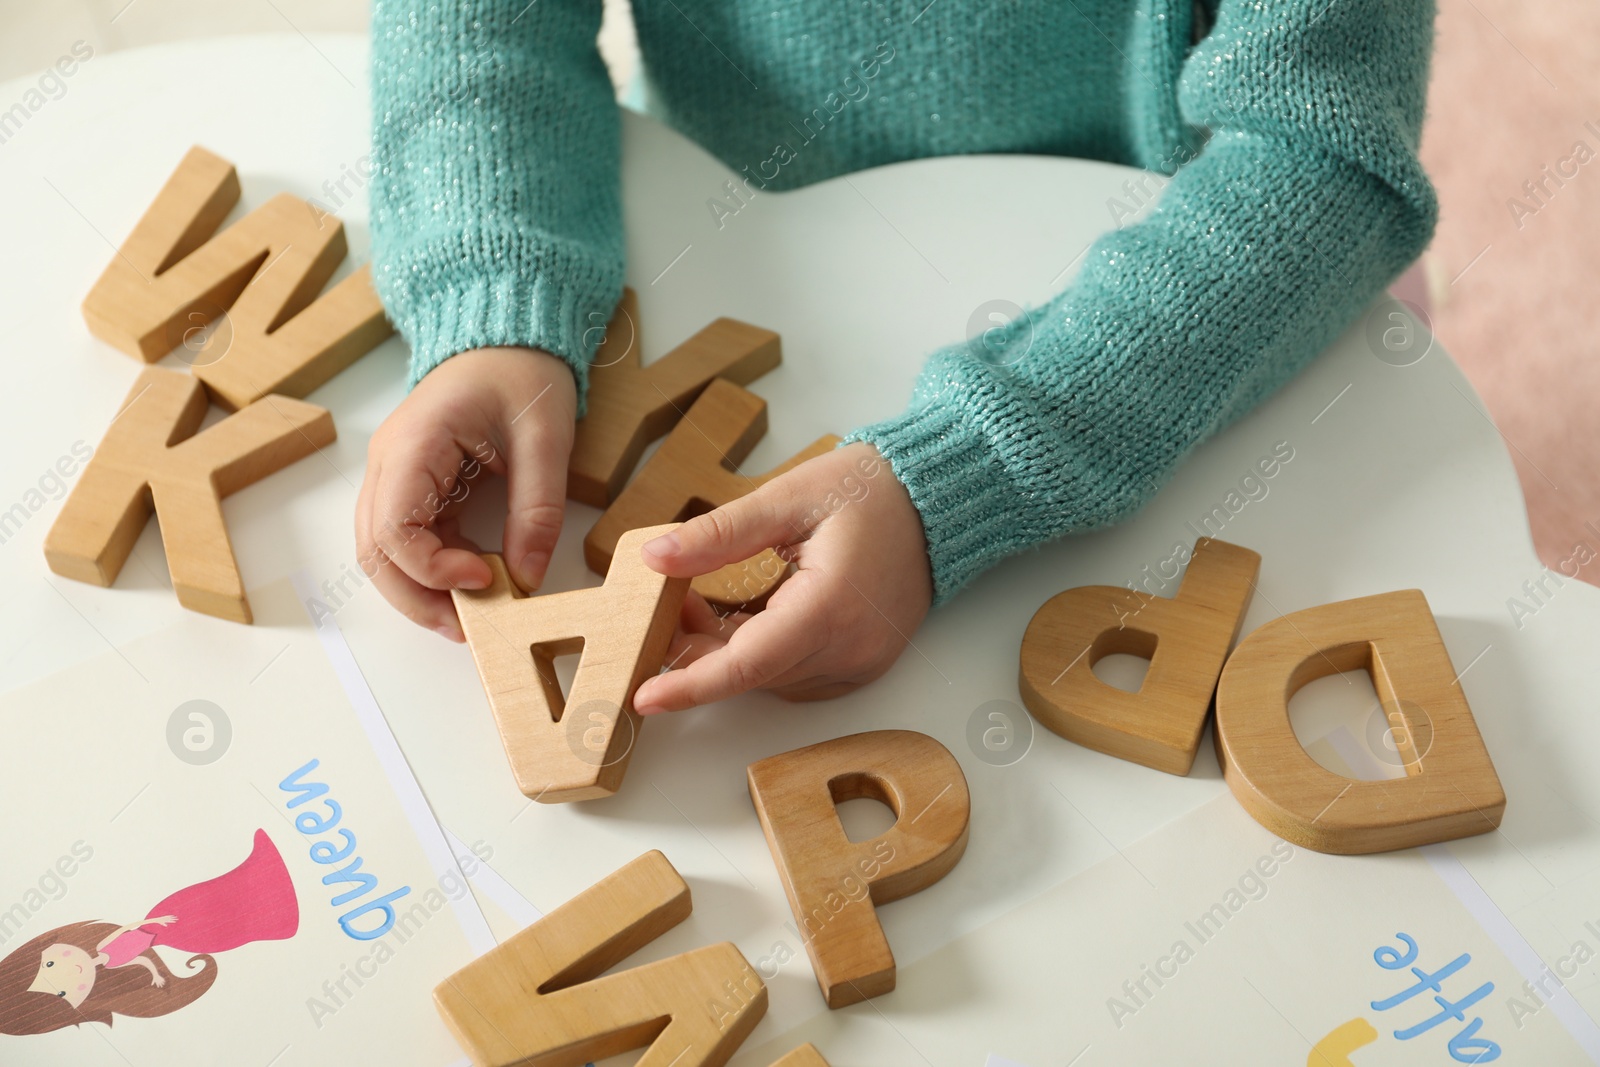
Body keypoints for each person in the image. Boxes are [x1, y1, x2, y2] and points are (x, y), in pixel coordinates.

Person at [358, 0, 1437, 714]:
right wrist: (491, 295)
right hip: (734, 235)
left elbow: (1320, 159)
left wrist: (958, 479)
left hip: (1207, 310)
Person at [0, 830, 298, 1035]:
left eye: (49, 965)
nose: (70, 974)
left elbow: (128, 931)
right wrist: (155, 975)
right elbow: (140, 962)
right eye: (63, 993)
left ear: (48, 945)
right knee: (217, 927)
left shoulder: (105, 947)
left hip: (159, 922)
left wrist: (150, 923)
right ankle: (273, 916)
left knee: (208, 901)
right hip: (174, 936)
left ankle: (262, 879)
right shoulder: (113, 965)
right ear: (81, 1008)